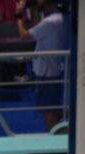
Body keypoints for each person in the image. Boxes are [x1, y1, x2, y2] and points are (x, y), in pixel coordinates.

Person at [16, 0, 65, 131]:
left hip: (48, 74)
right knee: (55, 110)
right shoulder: (60, 19)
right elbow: (37, 28)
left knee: (50, 112)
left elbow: (24, 35)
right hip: (56, 70)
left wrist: (19, 17)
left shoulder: (49, 22)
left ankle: (54, 144)